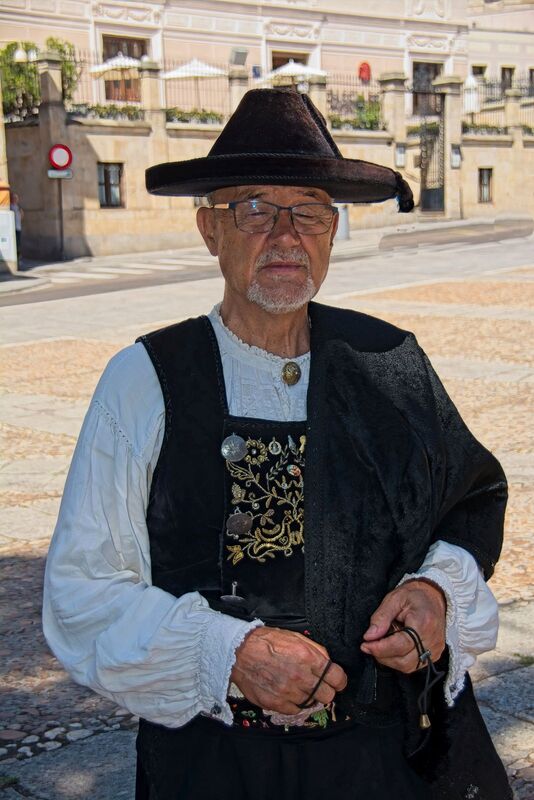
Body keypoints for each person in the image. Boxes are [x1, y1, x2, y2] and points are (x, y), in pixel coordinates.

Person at [43, 88, 511, 799]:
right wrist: (227, 654)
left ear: (331, 231)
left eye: (310, 212)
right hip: (214, 769)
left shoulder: (390, 361)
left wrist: (435, 593)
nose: (285, 235)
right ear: (210, 230)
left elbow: (468, 498)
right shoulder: (144, 380)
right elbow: (82, 590)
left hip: (384, 763)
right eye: (255, 210)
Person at [9, 191, 24, 266]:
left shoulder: (18, 207)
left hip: (18, 228)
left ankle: (19, 260)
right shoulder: (10, 207)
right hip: (12, 229)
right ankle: (15, 260)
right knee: (14, 245)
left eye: (16, 198)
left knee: (18, 244)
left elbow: (22, 216)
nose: (15, 199)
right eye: (14, 198)